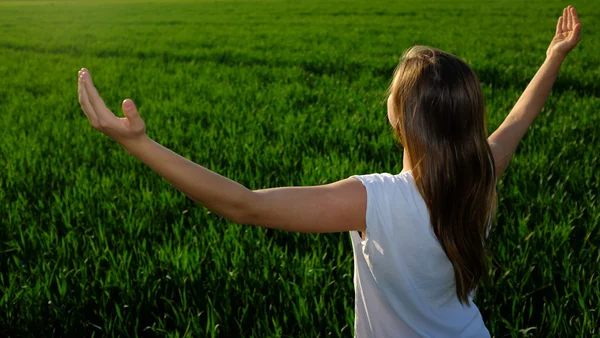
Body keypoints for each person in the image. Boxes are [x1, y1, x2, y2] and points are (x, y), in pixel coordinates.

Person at [76, 5, 581, 338]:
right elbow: (520, 116)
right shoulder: (482, 173)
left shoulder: (374, 200)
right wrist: (553, 57)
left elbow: (244, 204)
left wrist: (140, 144)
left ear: (400, 118)